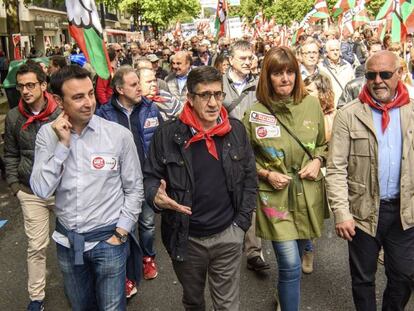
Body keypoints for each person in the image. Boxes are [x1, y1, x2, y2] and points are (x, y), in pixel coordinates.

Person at [30, 65, 144, 311]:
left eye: (90, 94)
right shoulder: (46, 136)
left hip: (109, 241)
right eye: (78, 97)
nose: (88, 103)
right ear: (59, 100)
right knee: (80, 307)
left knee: (112, 308)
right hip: (68, 243)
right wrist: (62, 146)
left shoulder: (118, 135)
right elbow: (40, 190)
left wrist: (121, 233)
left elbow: (134, 188)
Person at [144, 66, 257, 310]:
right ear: (190, 98)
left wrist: (241, 224)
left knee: (227, 306)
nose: (214, 102)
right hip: (186, 239)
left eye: (218, 94)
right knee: (194, 301)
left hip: (228, 234)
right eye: (205, 95)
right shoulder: (167, 135)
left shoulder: (236, 131)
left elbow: (249, 178)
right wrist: (155, 195)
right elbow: (150, 177)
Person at [326, 50, 414, 311]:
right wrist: (341, 213)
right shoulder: (348, 115)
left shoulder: (411, 112)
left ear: (399, 74)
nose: (378, 81)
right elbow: (336, 168)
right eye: (371, 75)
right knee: (363, 278)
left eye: (385, 74)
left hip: (403, 212)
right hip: (362, 212)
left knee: (404, 275)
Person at [243, 47, 328, 311]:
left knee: (297, 256)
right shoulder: (255, 113)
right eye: (277, 73)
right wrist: (266, 173)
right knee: (290, 264)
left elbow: (323, 145)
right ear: (266, 77)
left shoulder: (311, 104)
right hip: (274, 200)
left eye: (290, 71)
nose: (285, 78)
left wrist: (317, 161)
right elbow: (244, 160)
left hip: (307, 195)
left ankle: (285, 295)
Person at [96, 66, 163, 297]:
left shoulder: (150, 108)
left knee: (146, 223)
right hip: (116, 184)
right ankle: (126, 272)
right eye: (134, 85)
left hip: (144, 178)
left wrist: (161, 173)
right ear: (119, 89)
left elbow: (160, 141)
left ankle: (148, 257)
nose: (139, 88)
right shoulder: (104, 114)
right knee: (124, 228)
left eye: (139, 83)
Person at [4, 61, 60, 311]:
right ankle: (36, 297)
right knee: (36, 247)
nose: (25, 91)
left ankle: (81, 285)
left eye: (30, 85)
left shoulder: (61, 111)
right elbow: (11, 153)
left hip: (63, 190)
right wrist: (15, 186)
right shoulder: (15, 116)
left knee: (76, 240)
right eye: (20, 86)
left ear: (43, 85)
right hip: (30, 192)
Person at [321, 39, 355, 107]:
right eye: (332, 50)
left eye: (337, 50)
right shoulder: (321, 68)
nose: (335, 52)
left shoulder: (347, 66)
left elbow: (353, 87)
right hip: (329, 107)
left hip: (345, 106)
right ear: (327, 52)